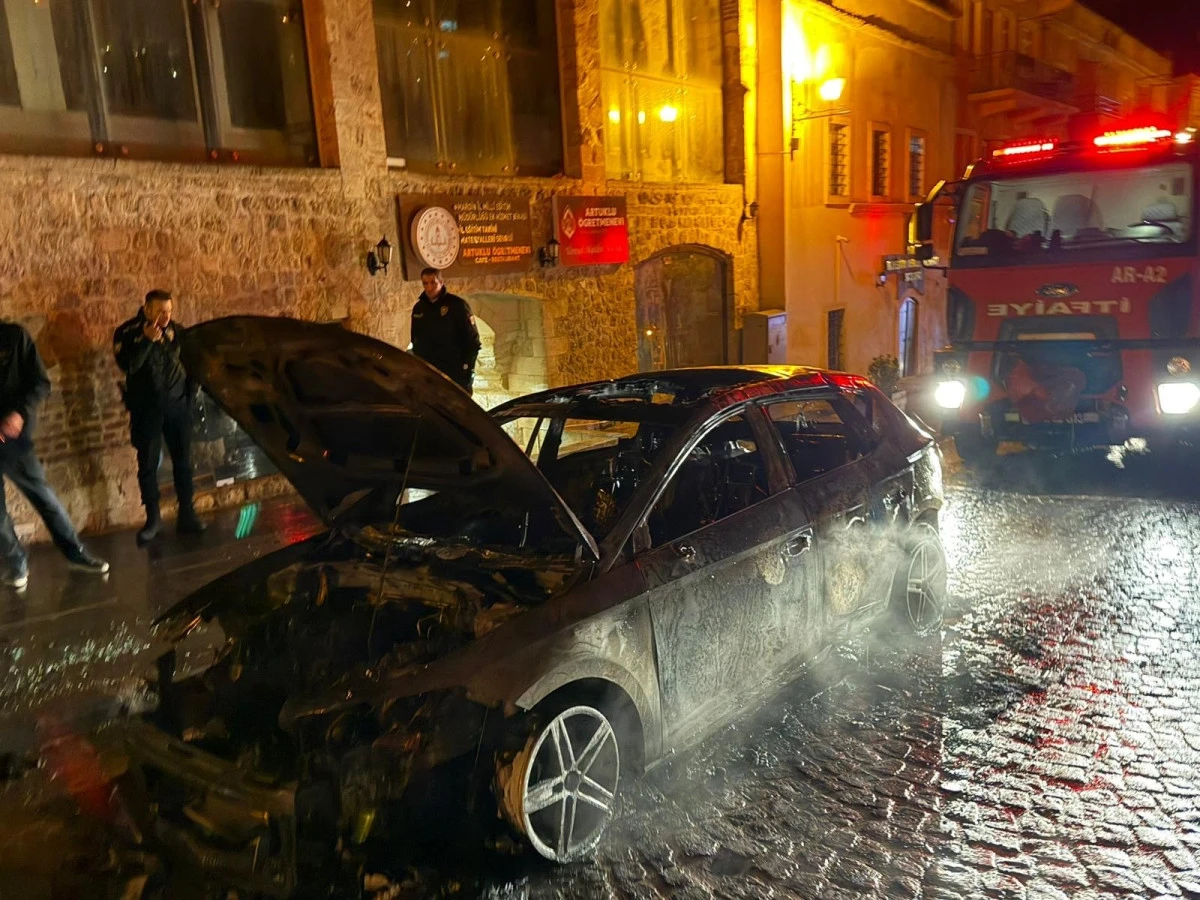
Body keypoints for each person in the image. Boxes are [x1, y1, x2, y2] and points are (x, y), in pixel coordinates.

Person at [0, 319, 109, 588]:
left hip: (14, 438)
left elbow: (40, 383)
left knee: (43, 496)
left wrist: (19, 413)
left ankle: (76, 553)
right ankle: (16, 563)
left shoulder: (14, 337)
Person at [113, 290, 205, 545]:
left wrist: (190, 397)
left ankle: (187, 513)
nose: (166, 316)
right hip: (147, 408)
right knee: (148, 464)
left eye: (169, 311)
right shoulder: (127, 332)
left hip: (177, 406)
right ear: (147, 309)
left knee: (184, 461)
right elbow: (128, 366)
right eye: (160, 311)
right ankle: (153, 519)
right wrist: (145, 341)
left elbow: (193, 363)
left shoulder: (177, 332)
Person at [410, 268, 482, 394]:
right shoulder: (419, 308)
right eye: (425, 283)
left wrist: (466, 369)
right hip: (428, 373)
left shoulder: (457, 305)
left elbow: (472, 342)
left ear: (441, 282)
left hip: (453, 372)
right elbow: (415, 339)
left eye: (433, 283)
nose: (429, 287)